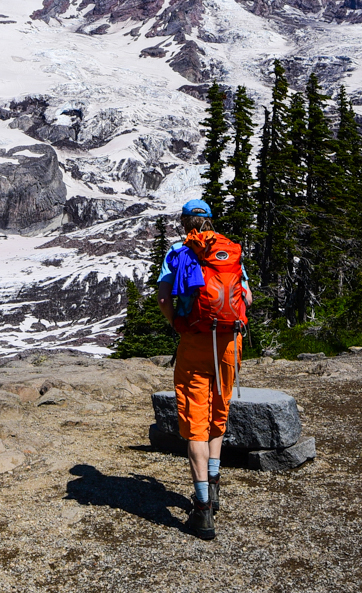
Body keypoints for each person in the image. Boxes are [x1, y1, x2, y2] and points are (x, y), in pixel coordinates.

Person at [156, 199, 251, 540]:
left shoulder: (178, 251)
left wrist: (178, 326)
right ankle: (215, 482)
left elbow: (165, 299)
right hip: (228, 343)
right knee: (218, 412)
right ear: (210, 220)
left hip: (195, 340)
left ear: (185, 223)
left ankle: (202, 509)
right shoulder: (227, 250)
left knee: (195, 422)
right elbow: (247, 298)